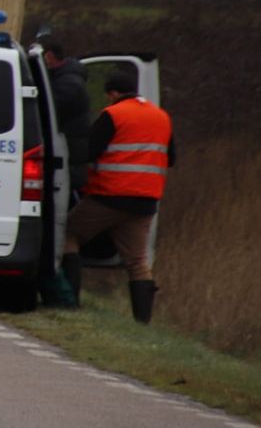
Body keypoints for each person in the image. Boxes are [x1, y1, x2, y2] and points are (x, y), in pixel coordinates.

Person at [61, 70, 175, 322]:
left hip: (108, 196)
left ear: (112, 94)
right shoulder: (161, 117)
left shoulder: (113, 114)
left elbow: (91, 151)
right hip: (145, 202)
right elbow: (171, 158)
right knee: (137, 261)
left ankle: (69, 303)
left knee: (68, 235)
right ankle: (142, 322)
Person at [41, 36, 91, 195]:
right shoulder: (66, 77)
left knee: (67, 189)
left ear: (49, 56)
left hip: (71, 148)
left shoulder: (68, 83)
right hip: (71, 146)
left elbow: (48, 111)